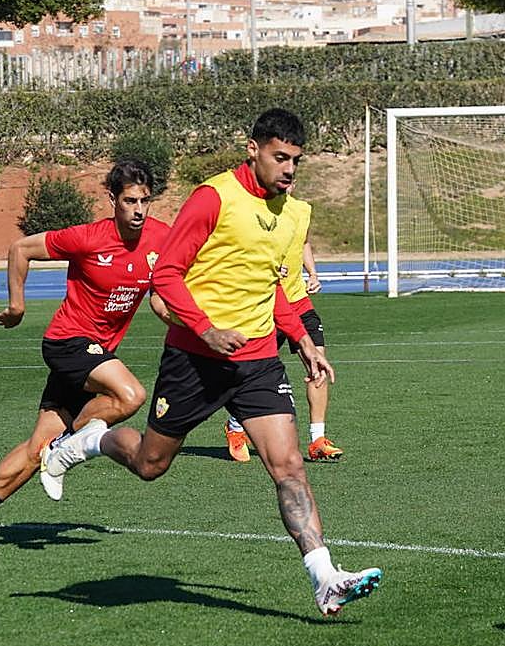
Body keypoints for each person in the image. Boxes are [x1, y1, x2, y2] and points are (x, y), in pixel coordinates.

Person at [39, 108, 382, 617]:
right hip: (194, 360)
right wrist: (205, 328)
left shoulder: (292, 213)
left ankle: (324, 578)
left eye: (296, 161)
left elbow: (276, 287)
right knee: (151, 465)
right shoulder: (213, 197)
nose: (289, 169)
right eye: (280, 157)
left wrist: (303, 341)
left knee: (287, 466)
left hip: (258, 361)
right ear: (254, 149)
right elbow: (168, 274)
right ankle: (89, 441)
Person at [0, 161, 173, 552]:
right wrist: (17, 306)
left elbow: (159, 297)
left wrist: (183, 320)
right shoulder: (87, 237)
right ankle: (69, 447)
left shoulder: (161, 238)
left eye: (145, 201)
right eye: (129, 201)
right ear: (112, 200)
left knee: (38, 448)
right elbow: (20, 249)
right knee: (131, 396)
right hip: (68, 343)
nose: (138, 210)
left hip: (97, 354)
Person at [223, 185, 343, 463]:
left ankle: (317, 440)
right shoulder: (255, 212)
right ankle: (235, 425)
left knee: (319, 365)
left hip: (299, 303)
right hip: (266, 305)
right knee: (250, 371)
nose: (284, 183)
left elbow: (302, 243)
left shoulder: (302, 210)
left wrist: (312, 272)